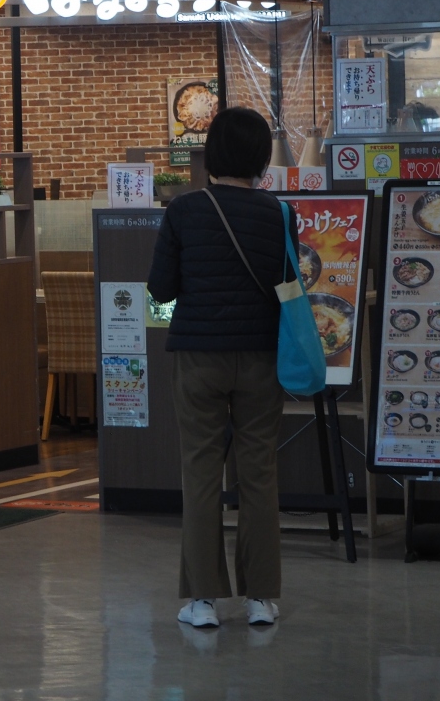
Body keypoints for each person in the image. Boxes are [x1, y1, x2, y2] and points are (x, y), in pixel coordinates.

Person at [146, 106, 297, 630]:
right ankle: (261, 599)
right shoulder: (279, 214)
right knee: (259, 475)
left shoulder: (184, 210)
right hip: (261, 357)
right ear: (261, 159)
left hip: (198, 358)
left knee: (200, 474)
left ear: (211, 154)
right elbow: (289, 288)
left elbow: (160, 289)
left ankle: (202, 601)